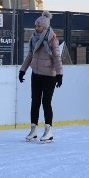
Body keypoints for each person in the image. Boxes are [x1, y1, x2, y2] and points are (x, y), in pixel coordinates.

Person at [18, 10, 63, 142]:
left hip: (49, 76)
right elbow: (30, 55)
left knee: (46, 102)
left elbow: (57, 57)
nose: (36, 28)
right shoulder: (33, 38)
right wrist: (23, 70)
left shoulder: (52, 39)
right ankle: (33, 129)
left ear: (45, 26)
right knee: (35, 101)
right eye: (36, 25)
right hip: (36, 74)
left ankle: (48, 130)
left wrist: (60, 74)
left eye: (39, 26)